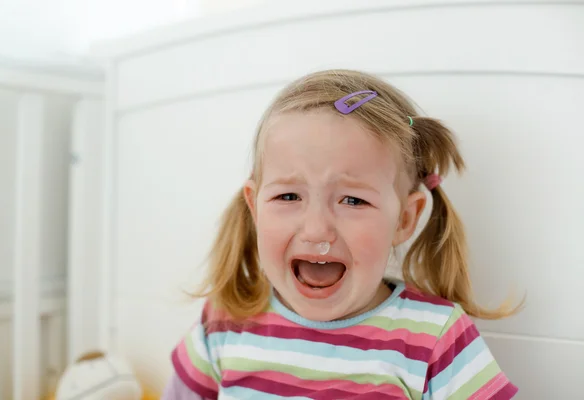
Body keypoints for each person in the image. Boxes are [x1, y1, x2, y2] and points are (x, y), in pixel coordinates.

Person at [161, 69, 520, 399]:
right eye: (288, 196)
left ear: (404, 220)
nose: (317, 229)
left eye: (352, 200)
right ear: (255, 207)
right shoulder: (223, 324)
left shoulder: (436, 338)